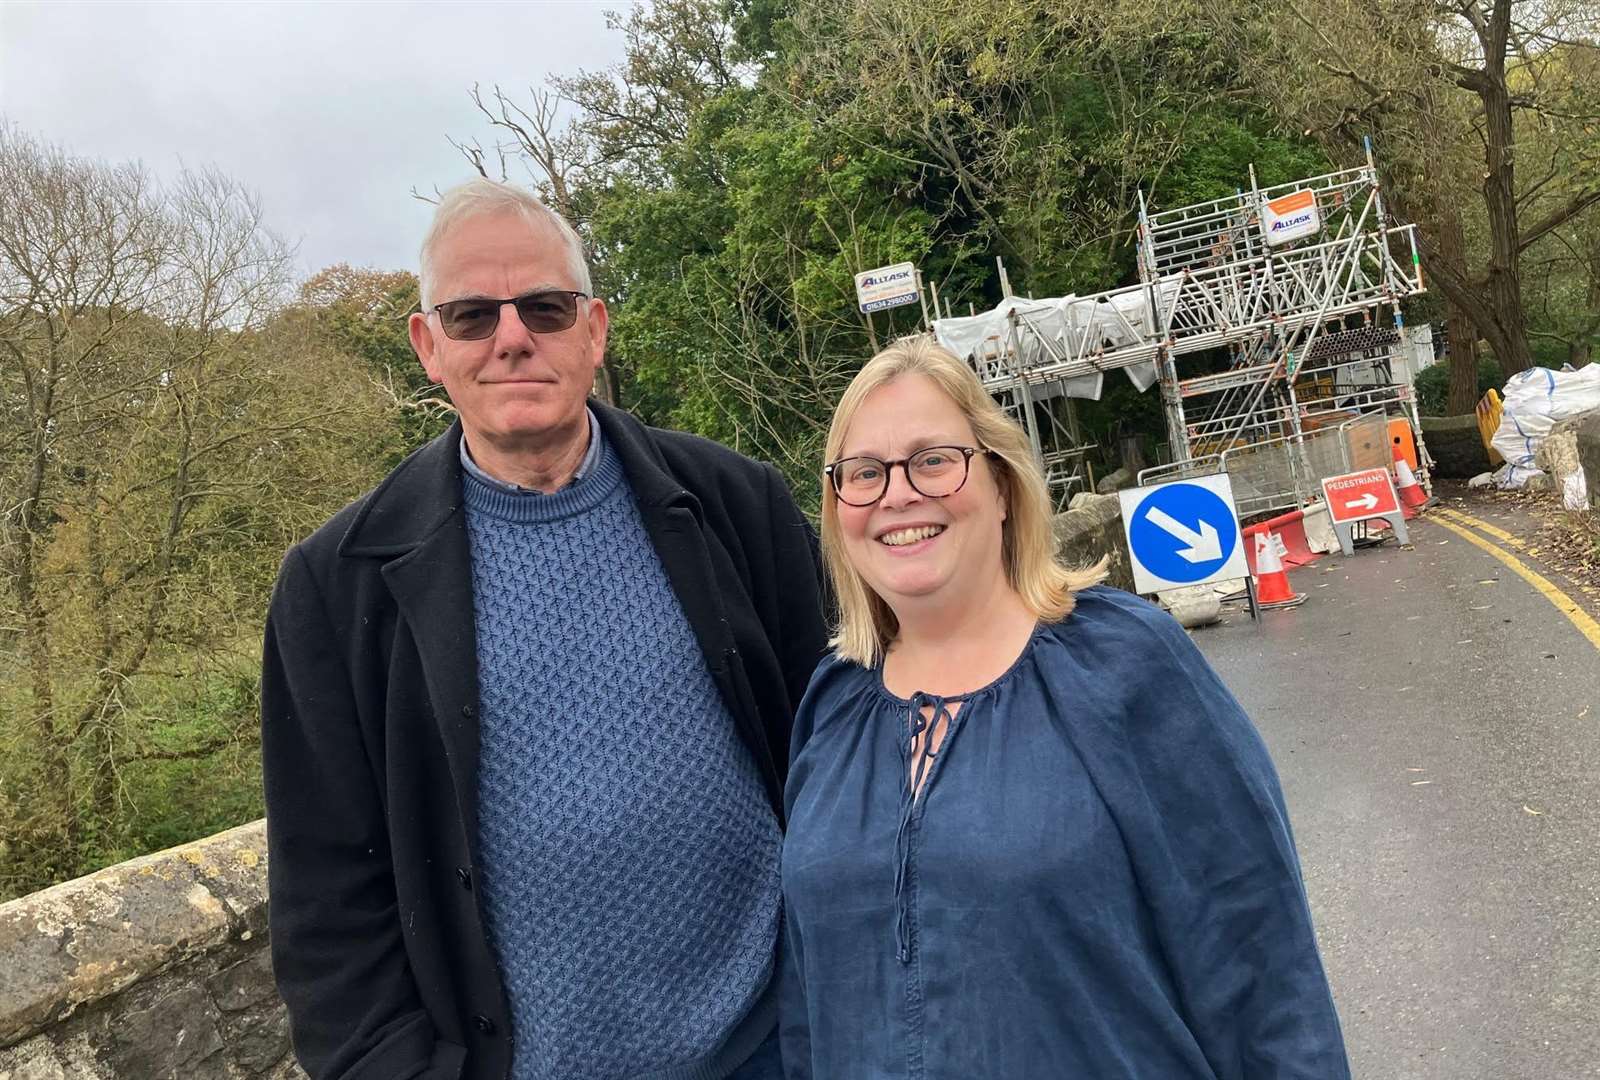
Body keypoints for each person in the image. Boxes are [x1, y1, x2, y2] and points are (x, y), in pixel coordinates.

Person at [261, 178, 827, 1080]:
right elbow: (327, 905)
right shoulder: (336, 588)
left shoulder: (736, 504)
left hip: (780, 1046)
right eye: (472, 315)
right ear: (427, 346)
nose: (512, 337)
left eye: (546, 307)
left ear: (594, 330)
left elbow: (843, 758)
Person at [778, 336, 1350, 1079]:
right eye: (864, 473)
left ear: (1004, 487)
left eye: (933, 460)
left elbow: (1258, 948)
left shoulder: (1123, 663)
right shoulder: (834, 704)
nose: (898, 494)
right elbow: (806, 1005)